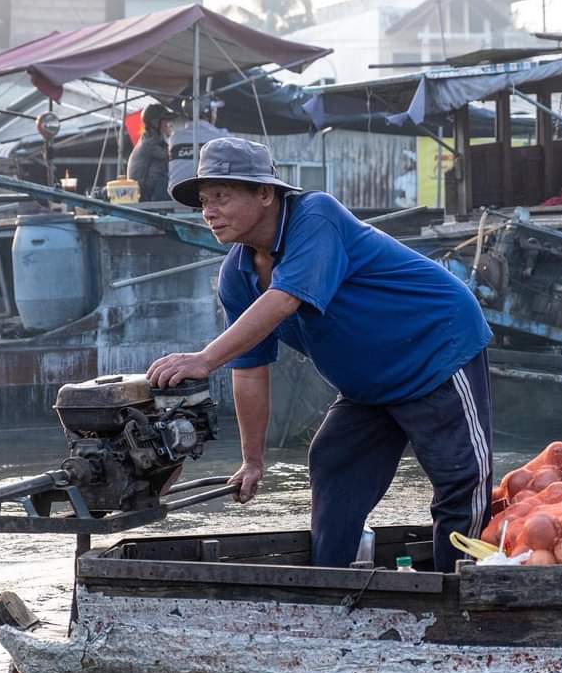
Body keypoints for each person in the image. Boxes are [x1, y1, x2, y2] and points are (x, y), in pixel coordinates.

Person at [146, 137, 493, 573]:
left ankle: (461, 591)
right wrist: (252, 461)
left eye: (221, 196)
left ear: (265, 193)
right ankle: (329, 583)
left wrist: (203, 359)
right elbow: (250, 370)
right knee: (333, 459)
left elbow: (286, 298)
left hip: (436, 349)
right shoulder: (236, 276)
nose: (209, 211)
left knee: (462, 477)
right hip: (367, 383)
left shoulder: (315, 216)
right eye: (203, 201)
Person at [167, 97, 230, 190]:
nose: (215, 114)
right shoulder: (223, 136)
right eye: (214, 110)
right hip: (208, 194)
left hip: (176, 193)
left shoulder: (175, 137)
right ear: (208, 112)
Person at [126, 104, 177, 202]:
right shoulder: (150, 143)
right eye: (165, 121)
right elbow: (171, 156)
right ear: (155, 123)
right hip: (145, 194)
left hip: (147, 190)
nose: (168, 124)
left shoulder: (151, 139)